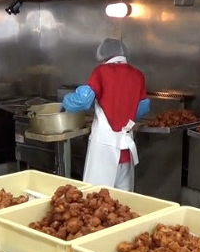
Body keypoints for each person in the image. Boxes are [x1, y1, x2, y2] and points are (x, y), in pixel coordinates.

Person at [62, 38, 150, 191]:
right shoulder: (138, 75)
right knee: (122, 202)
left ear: (104, 56)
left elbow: (83, 101)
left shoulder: (101, 72)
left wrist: (66, 102)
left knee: (95, 197)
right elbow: (143, 107)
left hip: (104, 147)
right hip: (126, 149)